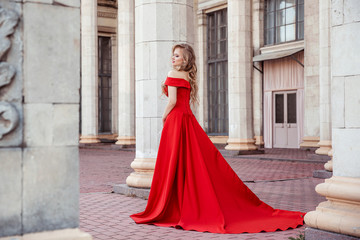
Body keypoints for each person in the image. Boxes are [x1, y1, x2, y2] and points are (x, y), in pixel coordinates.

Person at [130, 43, 305, 234]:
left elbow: (172, 101)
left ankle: (173, 205)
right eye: (173, 55)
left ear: (185, 59)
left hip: (175, 120)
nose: (173, 58)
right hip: (187, 120)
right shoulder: (188, 76)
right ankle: (185, 203)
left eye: (177, 56)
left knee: (175, 161)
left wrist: (164, 117)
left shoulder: (173, 74)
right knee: (192, 161)